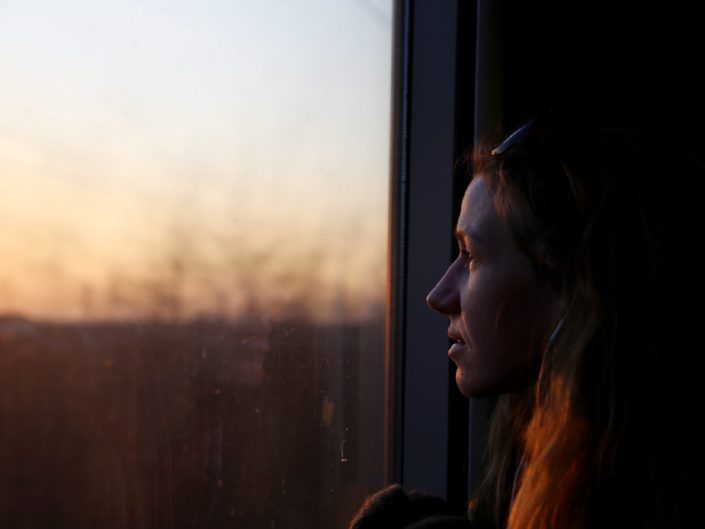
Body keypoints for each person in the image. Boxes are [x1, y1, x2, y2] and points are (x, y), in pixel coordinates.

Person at [347, 101, 703, 529]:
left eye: (471, 255)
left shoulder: (624, 495)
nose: (438, 296)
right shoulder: (532, 459)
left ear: (568, 282)